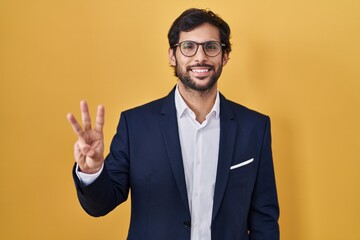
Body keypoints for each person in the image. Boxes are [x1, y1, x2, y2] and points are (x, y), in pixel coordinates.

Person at [67, 8, 280, 240]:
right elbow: (101, 205)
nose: (200, 57)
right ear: (172, 55)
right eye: (188, 47)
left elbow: (264, 218)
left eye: (211, 47)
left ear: (225, 56)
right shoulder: (135, 125)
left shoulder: (254, 128)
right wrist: (92, 171)